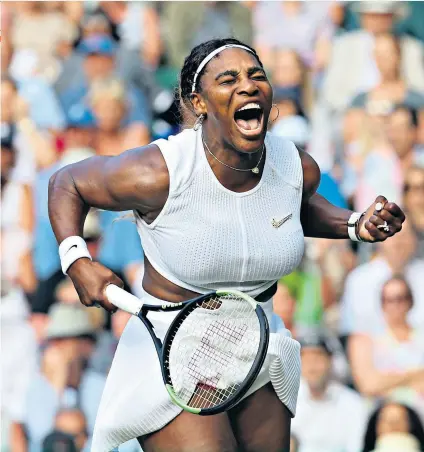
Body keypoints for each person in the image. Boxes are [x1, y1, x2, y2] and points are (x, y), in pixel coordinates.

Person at [48, 37, 405, 452]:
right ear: (199, 103)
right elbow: (67, 182)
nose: (248, 86)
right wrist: (76, 260)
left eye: (257, 76)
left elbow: (291, 209)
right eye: (229, 79)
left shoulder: (294, 165)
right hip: (172, 347)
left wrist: (356, 224)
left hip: (258, 345)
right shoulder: (158, 171)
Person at [348, 276, 424, 413]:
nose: (395, 305)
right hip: (383, 415)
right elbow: (369, 385)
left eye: (401, 298)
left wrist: (387, 380)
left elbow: (377, 382)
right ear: (382, 303)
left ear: (410, 300)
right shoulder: (366, 337)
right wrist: (415, 375)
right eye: (389, 300)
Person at [292, 335, 367, 452]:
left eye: (317, 359)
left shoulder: (353, 403)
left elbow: (356, 446)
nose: (312, 366)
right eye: (306, 360)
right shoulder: (286, 401)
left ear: (330, 361)